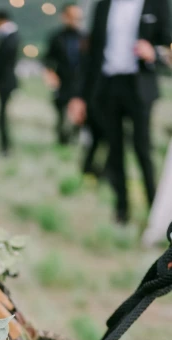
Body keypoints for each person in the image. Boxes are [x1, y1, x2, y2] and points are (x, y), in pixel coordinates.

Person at [69, 0, 172, 224]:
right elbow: (91, 52)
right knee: (114, 150)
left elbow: (168, 42)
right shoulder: (104, 5)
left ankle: (153, 212)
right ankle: (121, 211)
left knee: (142, 148)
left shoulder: (157, 4)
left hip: (139, 86)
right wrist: (79, 96)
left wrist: (153, 51)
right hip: (107, 85)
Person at [43, 3, 85, 145]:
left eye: (78, 17)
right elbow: (48, 59)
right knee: (60, 114)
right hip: (62, 82)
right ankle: (62, 141)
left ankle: (74, 138)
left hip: (80, 83)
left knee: (79, 115)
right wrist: (50, 74)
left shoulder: (85, 37)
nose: (75, 20)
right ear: (64, 17)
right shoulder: (56, 37)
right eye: (72, 17)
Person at [0, 10, 20, 155]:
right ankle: (4, 145)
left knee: (3, 115)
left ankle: (5, 147)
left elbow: (3, 62)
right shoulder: (9, 36)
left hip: (5, 82)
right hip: (5, 81)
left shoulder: (10, 37)